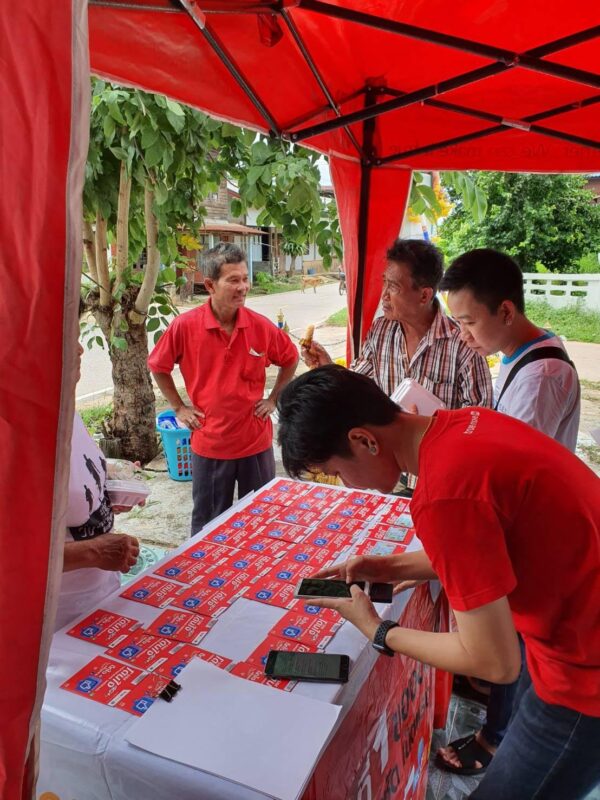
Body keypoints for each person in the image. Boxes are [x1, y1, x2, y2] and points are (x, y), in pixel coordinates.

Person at [276, 365, 600, 800]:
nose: (348, 484)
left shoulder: (444, 493)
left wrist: (378, 630)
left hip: (585, 672)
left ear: (363, 440)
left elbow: (495, 662)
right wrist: (391, 567)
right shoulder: (465, 423)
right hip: (571, 622)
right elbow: (488, 541)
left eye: (336, 471)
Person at [432, 248, 582, 773]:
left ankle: (496, 737)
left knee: (515, 637)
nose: (463, 335)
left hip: (534, 533)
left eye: (468, 322)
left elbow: (507, 471)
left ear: (506, 311)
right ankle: (493, 696)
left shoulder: (541, 376)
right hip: (531, 525)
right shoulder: (520, 354)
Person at [148, 243, 298, 534]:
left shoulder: (260, 326)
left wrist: (273, 399)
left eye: (245, 278)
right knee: (209, 524)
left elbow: (290, 358)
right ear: (210, 285)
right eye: (233, 280)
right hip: (211, 443)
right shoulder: (185, 326)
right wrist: (179, 407)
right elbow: (158, 366)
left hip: (254, 441)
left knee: (260, 522)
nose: (243, 287)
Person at [302, 238, 492, 407]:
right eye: (385, 282)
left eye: (393, 286)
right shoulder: (381, 330)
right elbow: (357, 385)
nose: (384, 295)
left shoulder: (464, 346)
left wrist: (431, 427)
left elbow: (479, 420)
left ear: (424, 295)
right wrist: (328, 367)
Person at [57, 338, 140, 632]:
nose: (79, 348)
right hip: (55, 618)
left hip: (101, 593)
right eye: (66, 337)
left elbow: (77, 478)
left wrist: (108, 491)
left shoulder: (64, 406)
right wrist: (93, 552)